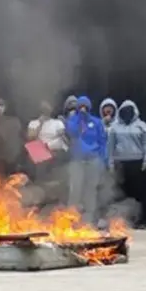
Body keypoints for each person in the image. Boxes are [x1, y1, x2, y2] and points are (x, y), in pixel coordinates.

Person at [105, 99, 146, 226]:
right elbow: (110, 146)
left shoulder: (141, 126)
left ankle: (140, 219)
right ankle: (121, 220)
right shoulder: (115, 127)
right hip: (121, 163)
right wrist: (110, 163)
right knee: (122, 193)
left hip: (137, 163)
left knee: (138, 194)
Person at [65, 95, 108, 226]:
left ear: (89, 107)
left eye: (85, 106)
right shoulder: (73, 121)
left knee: (91, 190)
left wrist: (103, 160)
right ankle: (71, 219)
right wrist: (79, 120)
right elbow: (71, 132)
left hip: (93, 160)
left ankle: (89, 220)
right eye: (80, 106)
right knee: (75, 190)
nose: (83, 108)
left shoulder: (96, 122)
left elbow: (102, 142)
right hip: (77, 161)